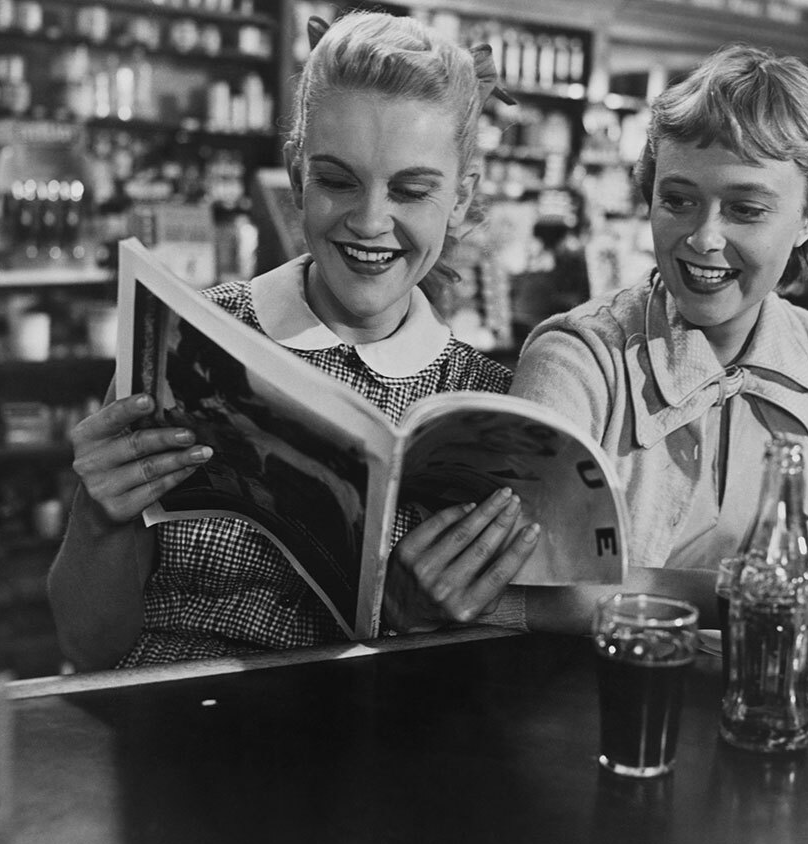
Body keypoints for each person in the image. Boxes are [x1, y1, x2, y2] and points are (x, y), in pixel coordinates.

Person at [47, 10, 538, 670]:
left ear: (461, 198)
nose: (369, 221)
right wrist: (97, 515)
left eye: (412, 189)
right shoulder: (183, 339)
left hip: (364, 745)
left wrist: (410, 625)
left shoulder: (486, 406)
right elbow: (87, 645)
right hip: (166, 729)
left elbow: (486, 688)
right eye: (337, 180)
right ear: (298, 176)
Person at [500, 43, 808, 631]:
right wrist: (767, 593)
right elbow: (520, 588)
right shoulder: (580, 360)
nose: (703, 237)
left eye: (745, 209)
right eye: (678, 201)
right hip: (596, 702)